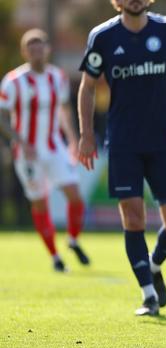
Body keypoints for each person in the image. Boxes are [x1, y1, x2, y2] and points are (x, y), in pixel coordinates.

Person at [77, 0, 166, 316]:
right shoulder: (102, 36)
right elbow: (87, 87)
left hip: (163, 141)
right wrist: (86, 134)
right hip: (123, 143)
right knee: (133, 219)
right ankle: (148, 295)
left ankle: (155, 265)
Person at [0, 29, 90, 272]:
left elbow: (63, 111)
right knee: (40, 204)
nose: (36, 52)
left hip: (54, 147)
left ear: (47, 49)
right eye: (31, 48)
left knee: (75, 196)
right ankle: (54, 256)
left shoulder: (57, 77)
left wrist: (73, 139)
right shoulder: (13, 81)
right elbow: (2, 117)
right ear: (25, 52)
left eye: (40, 47)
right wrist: (20, 141)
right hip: (27, 154)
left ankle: (72, 240)